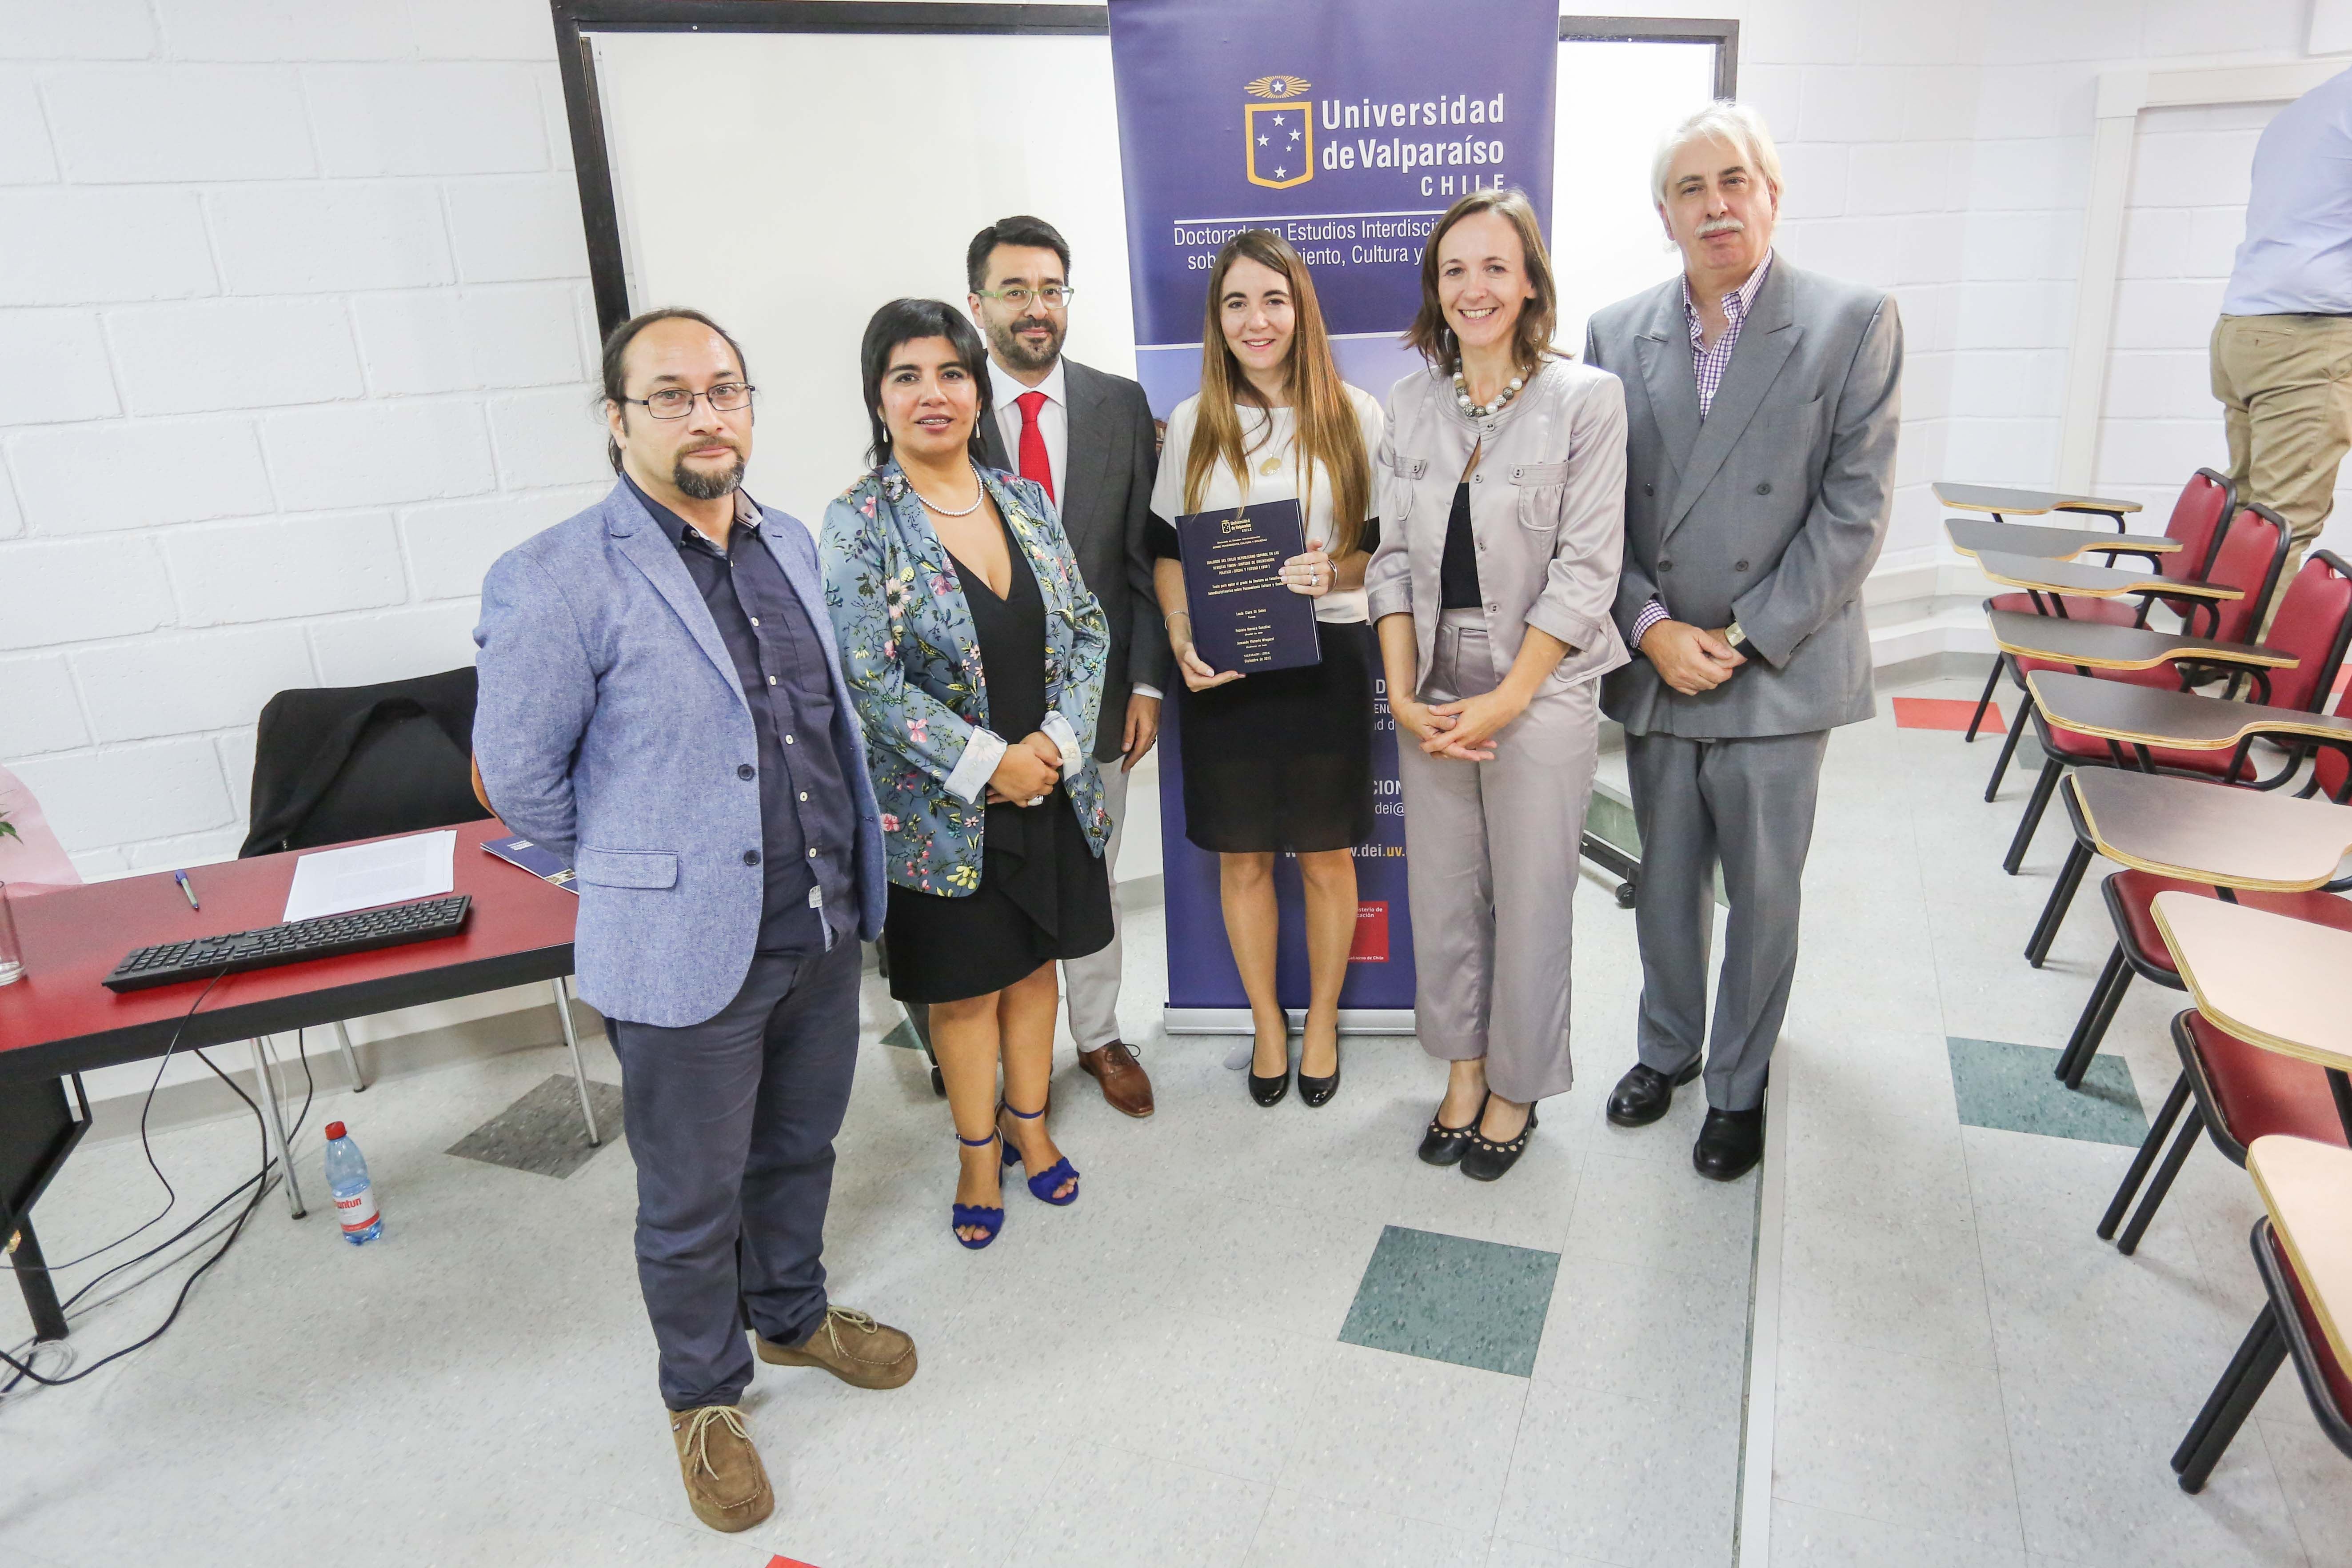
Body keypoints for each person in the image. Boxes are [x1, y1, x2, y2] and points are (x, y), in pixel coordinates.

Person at [473, 308, 913, 1536]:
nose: (705, 413)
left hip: (819, 923)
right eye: (669, 395)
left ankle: (791, 1315)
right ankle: (703, 1397)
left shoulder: (791, 545)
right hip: (682, 948)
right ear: (618, 421)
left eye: (724, 389)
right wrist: (643, 868)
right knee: (689, 1198)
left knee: (801, 1150)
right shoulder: (556, 574)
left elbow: (816, 728)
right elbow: (522, 783)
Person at [1583, 102, 1901, 1181]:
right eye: (1691, 188)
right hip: (1661, 663)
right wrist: (1651, 628)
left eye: (1735, 182)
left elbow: (1853, 513)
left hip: (1778, 664)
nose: (1715, 205)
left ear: (1771, 194)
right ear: (1664, 213)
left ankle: (1738, 1081)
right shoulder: (1615, 333)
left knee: (1763, 895)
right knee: (1665, 879)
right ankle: (1668, 1046)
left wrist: (1741, 634)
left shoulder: (1852, 322)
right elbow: (1595, 517)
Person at [822, 298, 1113, 1251]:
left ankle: (1031, 1123)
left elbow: (1086, 631)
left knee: (1034, 972)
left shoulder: (1022, 497)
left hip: (1049, 788)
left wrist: (1052, 751)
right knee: (965, 992)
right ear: (879, 397)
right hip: (942, 815)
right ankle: (978, 1149)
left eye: (951, 373)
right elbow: (868, 680)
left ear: (978, 391)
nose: (932, 394)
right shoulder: (859, 522)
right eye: (906, 376)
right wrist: (990, 764)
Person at [1366, 188, 1629, 1182]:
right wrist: (1403, 694)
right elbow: (1390, 561)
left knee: (1530, 896)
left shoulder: (1586, 400)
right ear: (1434, 289)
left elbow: (1587, 571)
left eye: (1493, 267)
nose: (1472, 288)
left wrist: (1509, 698)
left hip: (1541, 681)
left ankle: (1517, 1084)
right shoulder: (1408, 404)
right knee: (1441, 893)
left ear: (1528, 285)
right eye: (1453, 270)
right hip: (1430, 675)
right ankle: (1464, 1069)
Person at [1148, 230, 1384, 1109]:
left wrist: (1337, 572)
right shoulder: (1192, 423)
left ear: (1300, 310)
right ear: (1217, 318)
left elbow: (1379, 547)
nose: (1257, 320)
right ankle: (1265, 1022)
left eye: (1274, 300)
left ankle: (1320, 1021)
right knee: (1242, 859)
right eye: (1237, 302)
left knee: (1325, 856)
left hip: (1325, 661)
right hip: (1225, 673)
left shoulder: (1357, 415)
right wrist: (1179, 631)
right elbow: (1165, 549)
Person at [964, 214, 1164, 1117]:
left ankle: (1098, 1034)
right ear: (979, 305)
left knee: (1093, 872)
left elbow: (1141, 560)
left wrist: (1147, 682)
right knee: (990, 884)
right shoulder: (948, 406)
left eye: (1050, 289)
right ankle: (991, 1046)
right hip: (982, 710)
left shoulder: (1119, 404)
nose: (1035, 308)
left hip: (1103, 699)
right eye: (1014, 290)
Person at [2211, 64, 2352, 630]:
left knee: (2250, 518)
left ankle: (2205, 661)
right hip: (2305, 337)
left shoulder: (2309, 108)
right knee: (2282, 525)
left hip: (2245, 328)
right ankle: (2250, 683)